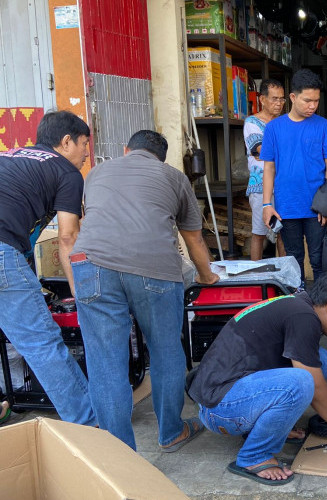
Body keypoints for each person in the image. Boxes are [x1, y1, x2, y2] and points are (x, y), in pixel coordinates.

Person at [71, 130, 219, 451]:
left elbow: (90, 220)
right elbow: (193, 239)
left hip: (90, 264)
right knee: (165, 349)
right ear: (161, 158)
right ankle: (171, 433)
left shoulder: (96, 172)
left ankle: (120, 455)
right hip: (153, 267)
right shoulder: (174, 177)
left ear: (126, 150)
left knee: (106, 362)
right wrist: (207, 277)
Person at [187, 272, 327, 485]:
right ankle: (254, 456)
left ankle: (264, 428)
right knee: (301, 383)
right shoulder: (304, 318)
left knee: (321, 360)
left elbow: (315, 374)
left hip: (225, 392)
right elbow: (314, 384)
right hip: (219, 408)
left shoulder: (299, 304)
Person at [0, 110, 96, 426]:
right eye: (84, 144)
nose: (85, 154)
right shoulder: (66, 173)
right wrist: (81, 294)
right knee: (41, 343)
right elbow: (68, 237)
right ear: (66, 141)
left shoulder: (11, 155)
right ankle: (89, 424)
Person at [260, 69, 327, 284]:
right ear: (293, 97)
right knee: (293, 260)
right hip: (287, 205)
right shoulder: (274, 128)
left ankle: (324, 308)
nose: (312, 106)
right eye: (307, 100)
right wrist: (267, 204)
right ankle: (299, 304)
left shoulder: (324, 127)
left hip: (317, 207)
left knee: (320, 260)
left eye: (316, 101)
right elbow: (269, 168)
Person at [244, 78, 287, 260]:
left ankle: (287, 277)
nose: (279, 103)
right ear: (262, 99)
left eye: (282, 99)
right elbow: (260, 149)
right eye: (274, 99)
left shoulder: (285, 122)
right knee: (259, 233)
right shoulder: (252, 122)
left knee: (284, 233)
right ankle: (255, 277)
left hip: (284, 185)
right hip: (260, 186)